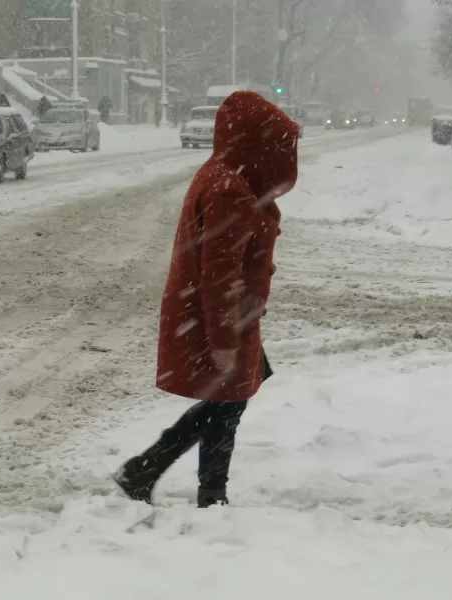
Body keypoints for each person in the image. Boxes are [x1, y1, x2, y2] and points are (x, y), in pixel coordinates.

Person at [113, 91, 300, 508]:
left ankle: (151, 470)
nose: (285, 154)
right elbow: (218, 276)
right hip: (221, 315)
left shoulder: (220, 173)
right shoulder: (229, 188)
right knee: (228, 404)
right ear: (254, 140)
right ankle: (198, 489)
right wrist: (223, 338)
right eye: (277, 143)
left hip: (224, 314)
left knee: (231, 398)